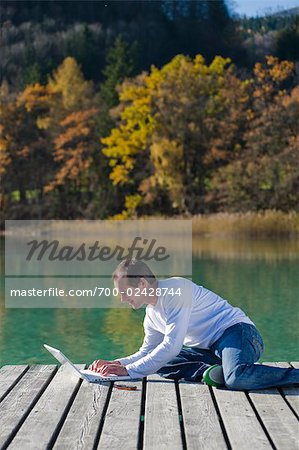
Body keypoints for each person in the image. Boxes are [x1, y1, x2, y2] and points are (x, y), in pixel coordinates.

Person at [90, 259, 299, 390]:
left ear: (142, 283)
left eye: (125, 292)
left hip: (238, 334)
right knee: (160, 363)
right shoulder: (151, 314)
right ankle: (213, 373)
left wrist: (128, 371)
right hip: (209, 350)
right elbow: (147, 352)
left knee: (237, 378)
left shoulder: (175, 290)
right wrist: (118, 364)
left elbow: (171, 346)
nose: (122, 299)